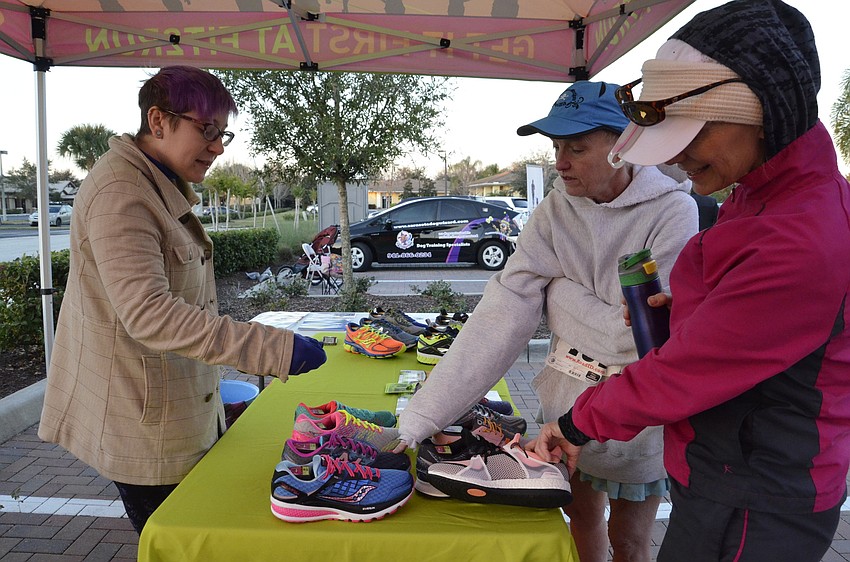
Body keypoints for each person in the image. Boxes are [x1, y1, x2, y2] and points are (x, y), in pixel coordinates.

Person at [530, 2, 850, 560]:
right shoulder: (761, 192)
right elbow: (755, 330)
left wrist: (576, 422)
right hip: (722, 466)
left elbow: (687, 372)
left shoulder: (801, 232)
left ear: (758, 111)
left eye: (690, 134)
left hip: (756, 493)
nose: (676, 156)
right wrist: (694, 311)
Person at [396, 80, 698, 561]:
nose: (560, 162)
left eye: (577, 147)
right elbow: (506, 306)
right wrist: (419, 420)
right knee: (579, 523)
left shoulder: (673, 211)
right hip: (564, 403)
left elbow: (642, 339)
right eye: (556, 146)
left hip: (636, 411)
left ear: (624, 146)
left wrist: (557, 295)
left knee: (631, 541)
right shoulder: (556, 207)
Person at [37, 66, 327, 534]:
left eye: (223, 133)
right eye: (206, 130)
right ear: (158, 121)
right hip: (146, 424)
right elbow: (150, 314)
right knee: (182, 542)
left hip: (172, 403)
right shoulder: (121, 193)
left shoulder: (154, 181)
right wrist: (274, 348)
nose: (217, 146)